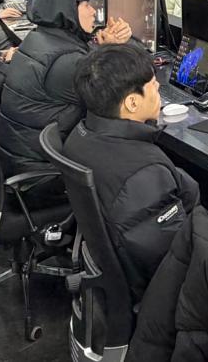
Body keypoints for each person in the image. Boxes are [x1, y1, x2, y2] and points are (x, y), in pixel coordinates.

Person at [67, 45, 200, 302]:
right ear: (132, 102)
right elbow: (172, 262)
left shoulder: (80, 134)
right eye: (153, 85)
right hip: (160, 295)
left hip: (115, 264)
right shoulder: (144, 175)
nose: (159, 88)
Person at [0, 0, 134, 177]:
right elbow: (113, 101)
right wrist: (115, 50)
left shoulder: (40, 38)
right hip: (42, 172)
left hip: (17, 156)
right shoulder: (66, 62)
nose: (93, 11)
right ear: (68, 11)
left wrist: (104, 48)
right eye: (86, 5)